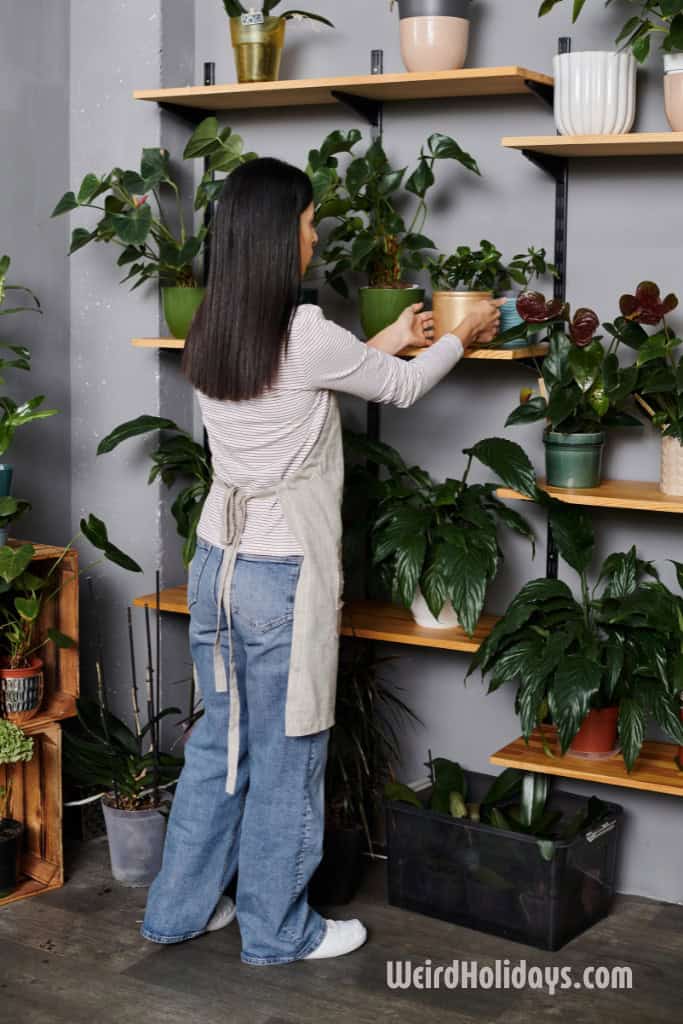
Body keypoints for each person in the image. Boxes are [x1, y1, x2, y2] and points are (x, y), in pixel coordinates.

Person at [140, 157, 503, 966]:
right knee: (290, 753)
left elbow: (302, 388)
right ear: (279, 234)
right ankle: (279, 931)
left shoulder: (213, 326)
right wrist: (456, 337)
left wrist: (389, 341)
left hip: (216, 567)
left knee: (218, 747)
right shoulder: (301, 332)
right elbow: (399, 392)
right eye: (308, 222)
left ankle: (176, 911)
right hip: (281, 581)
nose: (313, 235)